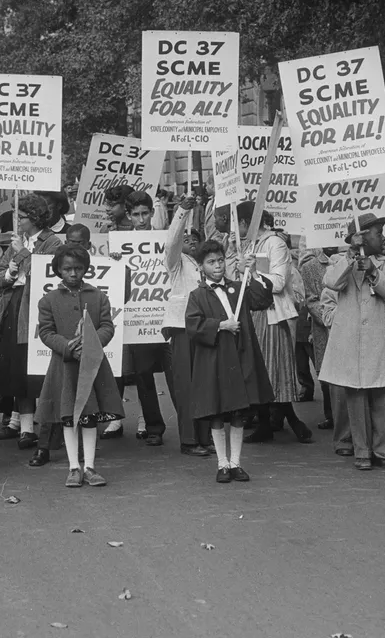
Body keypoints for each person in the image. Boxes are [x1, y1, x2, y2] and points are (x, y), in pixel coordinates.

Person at [322, 213, 385, 470]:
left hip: (378, 339)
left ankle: (381, 451)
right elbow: (331, 282)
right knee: (355, 397)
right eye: (378, 232)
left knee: (380, 395)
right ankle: (361, 452)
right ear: (360, 237)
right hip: (351, 341)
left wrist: (374, 272)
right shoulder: (339, 260)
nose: (383, 237)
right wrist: (351, 257)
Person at [186, 242, 274, 482]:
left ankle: (236, 463)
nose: (217, 266)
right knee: (216, 411)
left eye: (220, 260)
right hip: (215, 359)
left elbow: (262, 299)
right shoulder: (197, 295)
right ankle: (222, 463)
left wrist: (253, 273)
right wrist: (220, 325)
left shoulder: (239, 287)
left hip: (240, 356)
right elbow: (193, 326)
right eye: (211, 262)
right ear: (202, 267)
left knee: (238, 411)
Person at [37, 245, 123, 487]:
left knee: (90, 416)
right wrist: (67, 347)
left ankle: (90, 467)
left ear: (86, 268)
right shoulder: (48, 300)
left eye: (78, 268)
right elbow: (45, 332)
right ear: (58, 270)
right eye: (67, 269)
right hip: (64, 366)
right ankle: (73, 467)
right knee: (68, 417)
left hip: (92, 364)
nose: (73, 273)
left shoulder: (98, 296)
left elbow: (107, 326)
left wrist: (92, 344)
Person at [0, 193, 61, 460]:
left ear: (34, 218)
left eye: (20, 217)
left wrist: (22, 252)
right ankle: (25, 427)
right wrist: (9, 272)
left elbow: (46, 274)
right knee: (16, 368)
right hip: (13, 306)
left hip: (36, 310)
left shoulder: (52, 242)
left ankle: (44, 427)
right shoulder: (15, 242)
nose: (16, 221)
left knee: (35, 369)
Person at [107, 189, 167, 445]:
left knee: (173, 375)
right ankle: (149, 422)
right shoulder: (119, 243)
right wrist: (115, 261)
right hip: (136, 315)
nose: (141, 219)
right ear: (129, 216)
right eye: (136, 215)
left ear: (152, 213)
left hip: (163, 314)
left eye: (146, 213)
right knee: (142, 374)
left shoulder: (165, 239)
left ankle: (192, 428)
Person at [247, 211, 313, 443]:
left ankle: (291, 421)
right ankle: (271, 422)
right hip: (255, 314)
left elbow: (277, 282)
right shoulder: (249, 244)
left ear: (249, 222)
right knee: (261, 371)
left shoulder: (274, 243)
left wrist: (253, 272)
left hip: (272, 314)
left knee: (274, 370)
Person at [161, 198, 212, 457]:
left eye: (196, 240)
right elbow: (171, 242)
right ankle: (189, 440)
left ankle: (204, 436)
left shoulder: (207, 266)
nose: (191, 243)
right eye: (187, 240)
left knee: (204, 383)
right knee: (186, 384)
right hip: (182, 328)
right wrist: (182, 211)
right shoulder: (176, 263)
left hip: (205, 327)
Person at [298, 246, 336, 430]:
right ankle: (332, 415)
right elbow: (311, 299)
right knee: (328, 372)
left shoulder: (356, 260)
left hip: (351, 326)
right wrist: (330, 319)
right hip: (325, 328)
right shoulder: (310, 267)